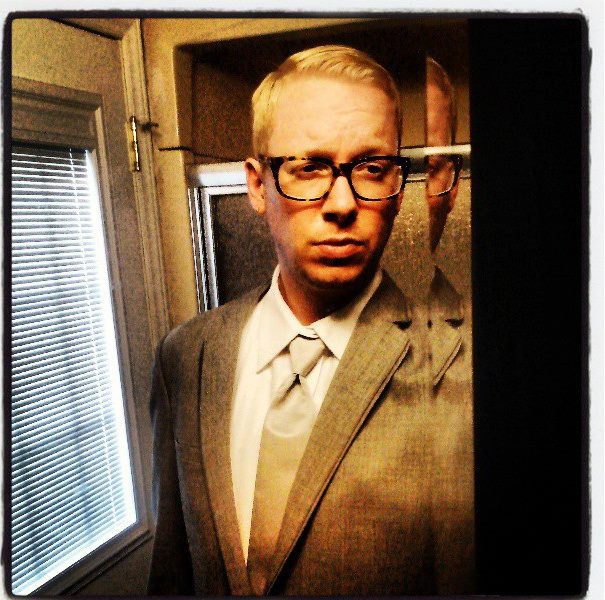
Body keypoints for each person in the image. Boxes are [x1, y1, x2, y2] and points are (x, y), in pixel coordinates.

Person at [147, 45, 474, 596]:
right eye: (310, 167)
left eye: (372, 168)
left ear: (398, 190)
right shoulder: (185, 356)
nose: (342, 204)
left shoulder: (460, 369)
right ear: (257, 185)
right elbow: (172, 572)